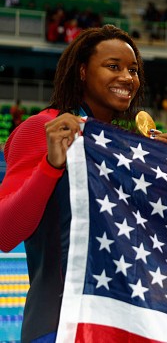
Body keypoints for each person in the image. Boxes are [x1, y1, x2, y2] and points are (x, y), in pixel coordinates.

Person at [0, 24, 147, 342]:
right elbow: (5, 233)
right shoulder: (43, 128)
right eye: (113, 66)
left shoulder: (126, 147)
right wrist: (51, 165)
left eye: (133, 70)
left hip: (122, 326)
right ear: (81, 71)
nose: (127, 77)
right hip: (58, 325)